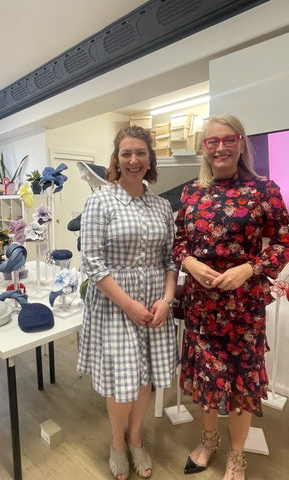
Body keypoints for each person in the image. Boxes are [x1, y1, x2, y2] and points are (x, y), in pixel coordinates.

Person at [173, 114, 289, 480]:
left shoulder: (264, 189)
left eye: (228, 139)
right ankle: (209, 442)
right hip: (201, 308)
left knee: (240, 385)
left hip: (243, 310)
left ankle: (237, 456)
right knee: (207, 381)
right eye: (212, 141)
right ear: (204, 148)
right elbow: (178, 244)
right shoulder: (192, 193)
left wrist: (250, 268)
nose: (220, 147)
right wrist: (190, 262)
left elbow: (284, 242)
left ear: (240, 143)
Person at [77, 125, 178, 480]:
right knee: (123, 377)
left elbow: (170, 259)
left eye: (140, 153)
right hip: (114, 301)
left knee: (144, 377)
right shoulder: (100, 201)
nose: (133, 160)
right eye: (126, 153)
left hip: (155, 302)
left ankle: (136, 439)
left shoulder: (163, 206)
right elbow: (90, 260)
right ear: (116, 159)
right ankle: (117, 443)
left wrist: (167, 299)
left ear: (150, 158)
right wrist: (128, 304)